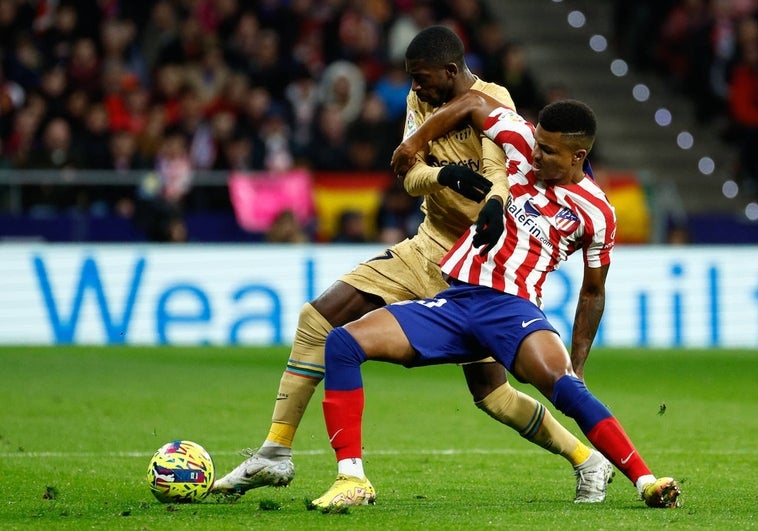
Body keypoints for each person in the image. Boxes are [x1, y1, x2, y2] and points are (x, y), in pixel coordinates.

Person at [213, 25, 613, 504]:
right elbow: (409, 173)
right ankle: (275, 452)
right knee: (316, 319)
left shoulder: (493, 97)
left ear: (450, 71)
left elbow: (500, 172)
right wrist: (444, 174)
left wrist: (492, 201)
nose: (416, 87)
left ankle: (587, 459)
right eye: (413, 80)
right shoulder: (419, 101)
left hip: (477, 270)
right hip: (425, 246)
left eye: (423, 79)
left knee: (495, 397)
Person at [311, 94, 681, 509]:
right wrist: (415, 142)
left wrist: (578, 363)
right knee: (342, 343)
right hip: (456, 301)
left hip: (513, 309)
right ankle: (352, 479)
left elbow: (593, 291)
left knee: (566, 388)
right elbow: (472, 103)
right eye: (537, 143)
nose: (534, 154)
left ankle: (646, 481)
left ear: (578, 155)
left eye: (548, 150)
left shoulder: (597, 212)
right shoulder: (520, 140)